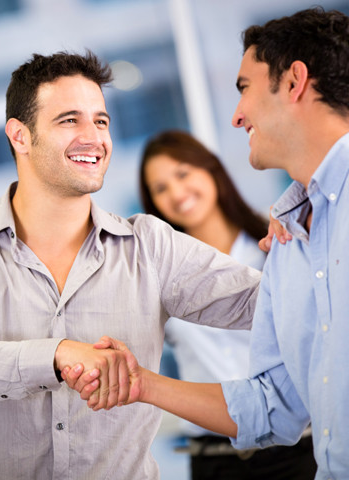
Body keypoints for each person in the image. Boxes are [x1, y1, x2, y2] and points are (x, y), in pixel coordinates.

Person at [0, 51, 261, 480]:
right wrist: (56, 355)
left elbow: (264, 305)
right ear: (20, 136)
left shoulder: (149, 246)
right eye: (69, 120)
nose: (93, 137)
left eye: (101, 121)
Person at [63, 7, 349, 479]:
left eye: (245, 89)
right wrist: (141, 384)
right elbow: (273, 405)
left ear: (295, 81)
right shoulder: (289, 243)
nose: (237, 116)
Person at [139, 130, 316, 479]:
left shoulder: (275, 249)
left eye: (182, 173)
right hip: (213, 459)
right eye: (160, 188)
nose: (176, 193)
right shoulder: (157, 277)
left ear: (211, 170)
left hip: (296, 452)